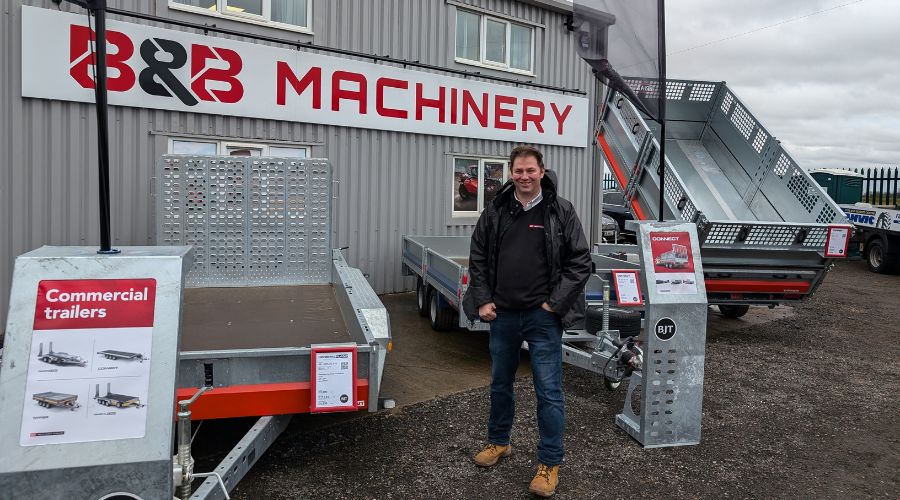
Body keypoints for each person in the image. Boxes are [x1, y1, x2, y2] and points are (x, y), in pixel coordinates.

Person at [462, 145, 591, 497]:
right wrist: (483, 300)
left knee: (548, 391)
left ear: (541, 171)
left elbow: (580, 261)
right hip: (502, 315)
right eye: (518, 171)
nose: (523, 176)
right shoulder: (496, 211)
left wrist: (554, 304)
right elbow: (478, 257)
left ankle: (549, 463)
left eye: (530, 170)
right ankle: (498, 442)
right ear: (511, 173)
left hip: (542, 316)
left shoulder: (560, 210)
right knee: (500, 384)